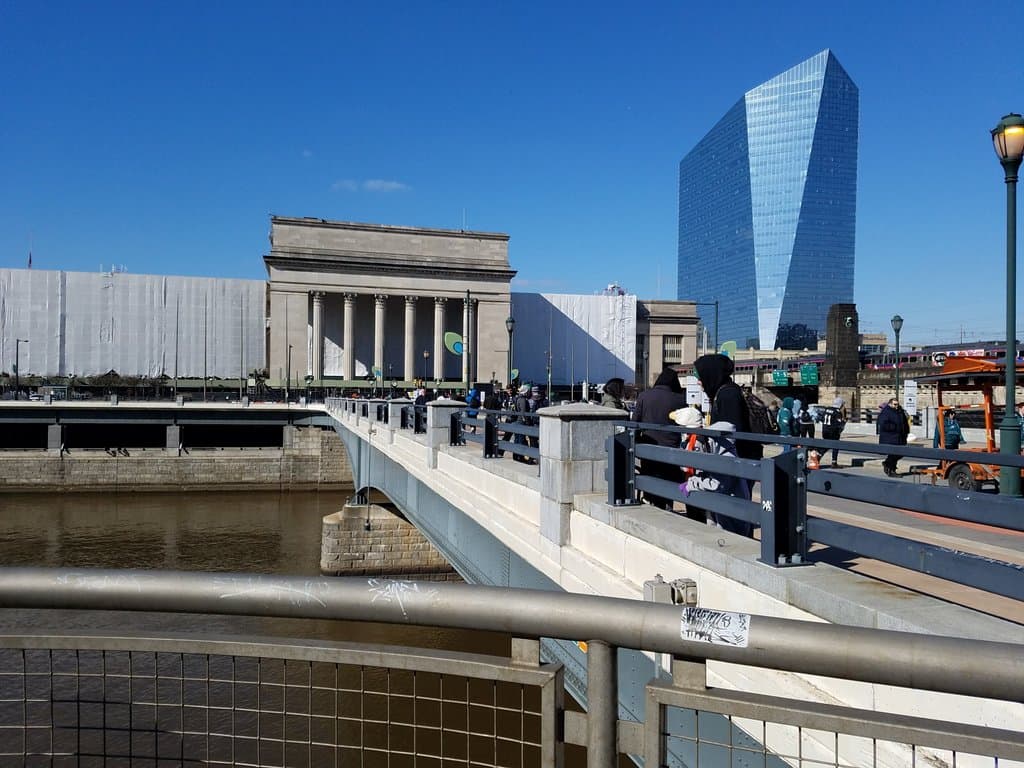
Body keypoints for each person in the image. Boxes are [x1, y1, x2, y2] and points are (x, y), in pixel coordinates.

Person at [678, 420, 754, 537]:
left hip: (732, 513)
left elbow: (717, 484)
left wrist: (692, 484)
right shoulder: (718, 453)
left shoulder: (728, 458)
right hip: (720, 510)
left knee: (730, 540)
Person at [631, 368, 688, 510]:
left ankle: (651, 504)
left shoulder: (644, 396)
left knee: (650, 481)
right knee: (669, 485)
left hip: (649, 449)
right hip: (671, 451)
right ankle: (667, 508)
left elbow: (634, 423)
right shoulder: (679, 399)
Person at [693, 354, 762, 461]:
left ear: (710, 375)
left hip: (738, 462)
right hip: (736, 458)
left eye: (700, 377)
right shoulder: (725, 391)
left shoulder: (727, 395)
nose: (698, 382)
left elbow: (731, 433)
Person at [878, 397, 910, 476]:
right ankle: (891, 470)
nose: (896, 406)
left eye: (897, 404)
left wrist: (906, 431)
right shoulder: (886, 412)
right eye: (895, 404)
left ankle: (887, 464)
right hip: (891, 437)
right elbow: (883, 424)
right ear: (890, 404)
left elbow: (904, 422)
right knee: (894, 453)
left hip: (900, 437)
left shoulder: (900, 411)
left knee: (900, 453)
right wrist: (894, 427)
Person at [820, 396, 847, 467]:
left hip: (825, 430)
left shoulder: (827, 409)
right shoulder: (837, 412)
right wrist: (843, 421)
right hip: (833, 431)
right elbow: (839, 424)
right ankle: (834, 462)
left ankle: (818, 455)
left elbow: (822, 419)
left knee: (826, 444)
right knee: (835, 445)